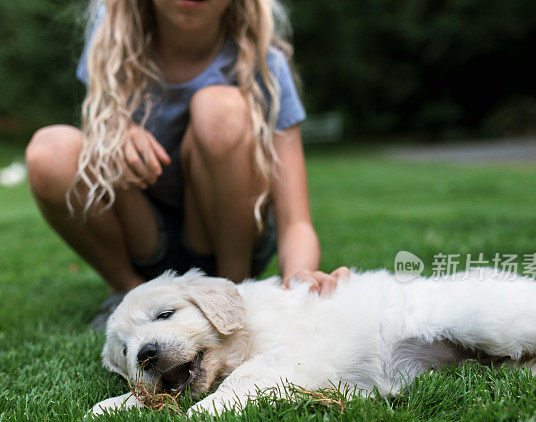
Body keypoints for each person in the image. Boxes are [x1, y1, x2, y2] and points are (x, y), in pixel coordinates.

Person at [25, 0, 349, 329]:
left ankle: (234, 293)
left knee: (219, 109)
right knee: (50, 150)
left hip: (226, 241)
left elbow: (296, 222)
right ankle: (129, 292)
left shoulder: (264, 63)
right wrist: (116, 132)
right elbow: (95, 135)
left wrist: (298, 276)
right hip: (145, 235)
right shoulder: (113, 38)